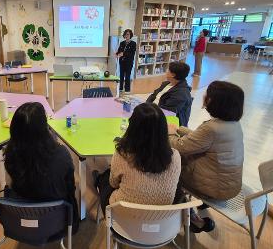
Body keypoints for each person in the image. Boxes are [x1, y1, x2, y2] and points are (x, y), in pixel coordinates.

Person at [169, 81, 244, 233]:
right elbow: (199, 141)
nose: (204, 96)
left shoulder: (211, 128)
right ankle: (199, 204)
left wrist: (169, 132)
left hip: (215, 189)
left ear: (215, 101)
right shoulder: (232, 123)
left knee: (170, 172)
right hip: (229, 184)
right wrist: (179, 128)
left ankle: (194, 220)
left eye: (208, 95)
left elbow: (179, 146)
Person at [4, 102, 79, 233]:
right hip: (56, 217)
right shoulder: (60, 153)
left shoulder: (11, 154)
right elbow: (69, 186)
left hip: (20, 216)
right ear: (44, 127)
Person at [94, 103, 181, 214]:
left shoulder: (122, 154)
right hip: (161, 219)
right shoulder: (175, 157)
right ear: (164, 129)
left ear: (132, 128)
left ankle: (97, 179)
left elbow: (113, 184)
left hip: (122, 217)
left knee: (104, 178)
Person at [146, 62, 192, 126]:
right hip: (155, 112)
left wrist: (148, 112)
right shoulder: (166, 83)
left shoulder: (181, 94)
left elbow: (167, 112)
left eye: (168, 70)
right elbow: (153, 95)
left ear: (173, 74)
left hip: (167, 122)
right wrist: (146, 106)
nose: (166, 71)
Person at [116, 29, 137, 93]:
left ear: (130, 35)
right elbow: (119, 51)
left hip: (129, 62)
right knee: (121, 75)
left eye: (128, 34)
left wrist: (123, 54)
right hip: (122, 61)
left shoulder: (133, 43)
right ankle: (121, 88)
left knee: (127, 76)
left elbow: (132, 53)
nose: (126, 35)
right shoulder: (122, 43)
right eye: (125, 34)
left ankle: (127, 90)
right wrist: (117, 54)